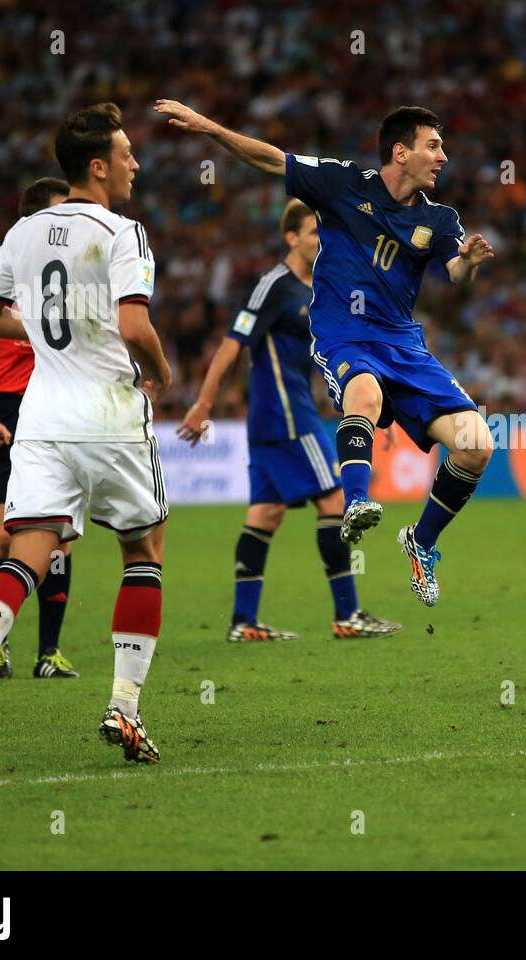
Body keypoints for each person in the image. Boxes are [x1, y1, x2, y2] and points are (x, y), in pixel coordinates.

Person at [155, 98, 495, 607]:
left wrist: (468, 262)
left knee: (476, 443)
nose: (443, 156)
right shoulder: (344, 182)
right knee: (364, 394)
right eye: (434, 145)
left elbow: (455, 276)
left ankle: (421, 542)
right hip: (344, 334)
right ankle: (357, 500)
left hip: (403, 342)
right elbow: (271, 159)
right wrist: (208, 125)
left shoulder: (441, 219)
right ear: (400, 153)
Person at [0, 103, 172, 767]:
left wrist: (46, 332)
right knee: (144, 550)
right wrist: (160, 370)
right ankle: (124, 709)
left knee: (26, 554)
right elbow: (133, 330)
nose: (135, 162)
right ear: (97, 166)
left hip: (41, 421)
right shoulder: (123, 232)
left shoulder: (24, 233)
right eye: (127, 152)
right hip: (109, 415)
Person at [178, 199, 401, 641]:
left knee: (266, 513)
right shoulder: (274, 285)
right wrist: (203, 404)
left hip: (273, 418)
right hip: (286, 416)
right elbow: (232, 343)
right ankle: (348, 615)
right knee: (336, 500)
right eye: (313, 232)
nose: (321, 239)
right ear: (291, 238)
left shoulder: (318, 288)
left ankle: (243, 622)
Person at [0, 176, 80, 680]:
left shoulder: (69, 275)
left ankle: (48, 653)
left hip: (56, 406)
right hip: (7, 410)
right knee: (6, 538)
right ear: (32, 220)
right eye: (59, 213)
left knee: (60, 537)